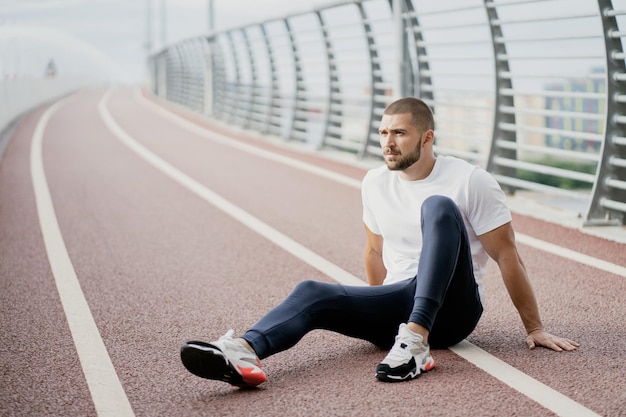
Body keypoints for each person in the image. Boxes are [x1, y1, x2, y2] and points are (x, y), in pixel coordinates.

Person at [180, 97, 579, 387]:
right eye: (384, 132)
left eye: (400, 133)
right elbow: (374, 251)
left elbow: (508, 255)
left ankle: (416, 342)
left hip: (453, 310)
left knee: (438, 207)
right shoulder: (374, 181)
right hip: (399, 301)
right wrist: (376, 307)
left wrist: (535, 327)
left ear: (427, 138)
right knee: (312, 291)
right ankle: (244, 353)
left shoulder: (469, 180)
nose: (388, 142)